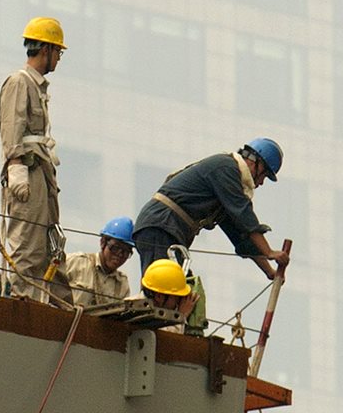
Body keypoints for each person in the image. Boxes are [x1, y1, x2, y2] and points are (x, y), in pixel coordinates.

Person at [133, 138, 290, 281]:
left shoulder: (225, 191)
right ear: (256, 162)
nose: (261, 183)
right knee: (165, 285)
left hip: (167, 229)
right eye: (264, 175)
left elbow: (241, 236)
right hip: (161, 225)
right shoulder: (226, 168)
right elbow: (244, 216)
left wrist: (269, 272)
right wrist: (269, 252)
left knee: (185, 291)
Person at [0, 17, 66, 303]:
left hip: (42, 173)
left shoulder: (38, 88)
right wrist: (15, 167)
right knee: (27, 242)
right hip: (28, 170)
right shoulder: (19, 82)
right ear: (45, 49)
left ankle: (44, 301)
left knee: (47, 245)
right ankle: (22, 300)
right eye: (57, 52)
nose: (59, 58)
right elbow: (12, 125)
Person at [64, 217, 134, 308]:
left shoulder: (122, 284)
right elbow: (47, 287)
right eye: (115, 248)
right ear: (103, 243)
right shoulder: (77, 262)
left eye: (125, 252)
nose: (119, 255)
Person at [140, 259, 198, 323]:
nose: (178, 303)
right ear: (159, 296)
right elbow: (162, 331)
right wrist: (181, 315)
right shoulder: (140, 317)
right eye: (176, 298)